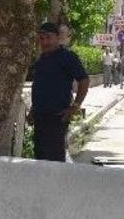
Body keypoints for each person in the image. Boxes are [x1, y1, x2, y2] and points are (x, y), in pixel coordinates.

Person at [28, 22, 89, 162]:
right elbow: (40, 87)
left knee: (54, 159)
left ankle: (56, 184)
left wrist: (75, 106)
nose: (44, 42)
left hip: (57, 117)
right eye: (41, 39)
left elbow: (84, 80)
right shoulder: (41, 60)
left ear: (57, 38)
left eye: (48, 38)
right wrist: (33, 110)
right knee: (40, 156)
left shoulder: (67, 57)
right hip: (40, 118)